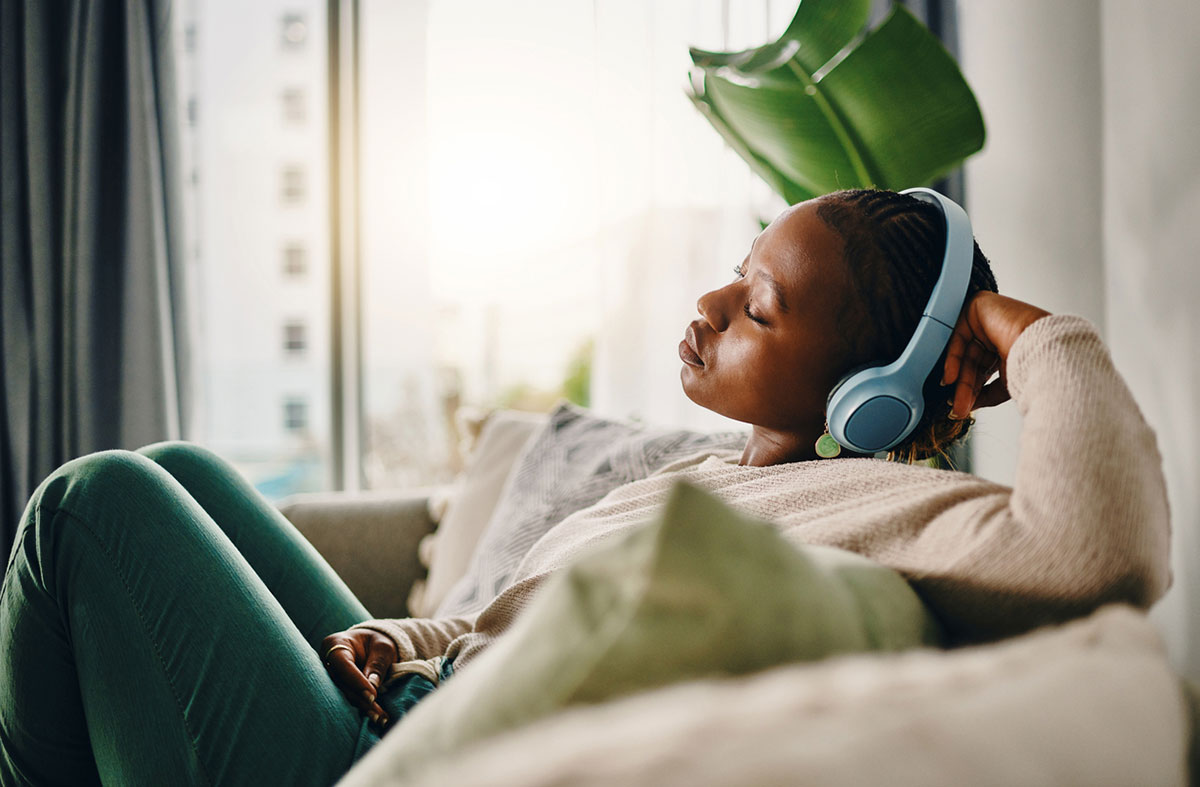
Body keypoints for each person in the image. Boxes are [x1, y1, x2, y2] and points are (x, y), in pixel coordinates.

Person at [0, 190, 1170, 786]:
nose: (711, 308)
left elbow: (1099, 552)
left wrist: (1031, 332)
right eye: (734, 275)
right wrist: (401, 635)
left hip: (405, 755)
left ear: (867, 394)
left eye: (758, 309)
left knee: (89, 504)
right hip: (402, 695)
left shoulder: (896, 510)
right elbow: (510, 613)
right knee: (184, 472)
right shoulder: (701, 475)